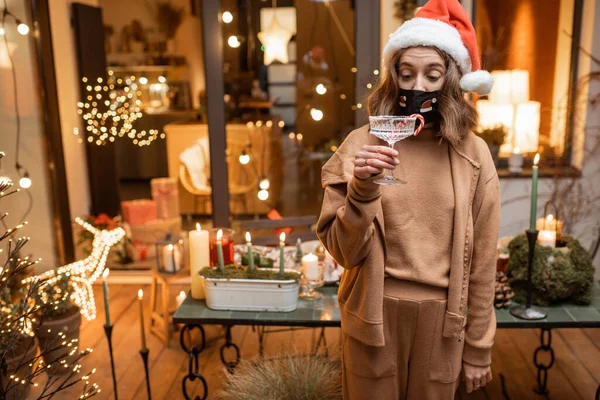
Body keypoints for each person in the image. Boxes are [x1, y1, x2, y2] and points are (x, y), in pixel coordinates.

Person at [316, 0, 500, 398]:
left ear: (450, 81)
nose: (417, 86)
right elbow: (343, 252)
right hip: (372, 313)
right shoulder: (360, 145)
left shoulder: (473, 154)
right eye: (406, 73)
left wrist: (479, 347)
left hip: (443, 321)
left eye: (432, 75)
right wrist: (362, 189)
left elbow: (484, 259)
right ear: (392, 77)